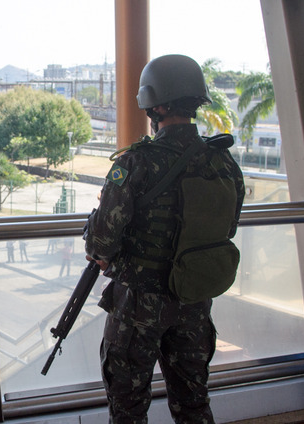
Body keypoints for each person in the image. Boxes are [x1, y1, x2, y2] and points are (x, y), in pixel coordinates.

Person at [84, 54, 245, 423]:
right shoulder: (223, 162)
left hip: (140, 304)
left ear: (154, 104)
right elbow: (227, 228)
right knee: (193, 401)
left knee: (128, 406)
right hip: (194, 298)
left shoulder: (136, 162)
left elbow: (100, 243)